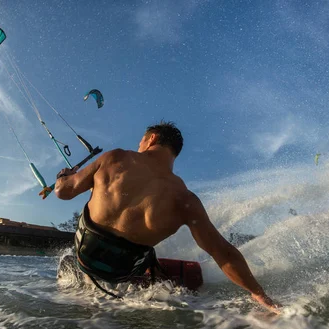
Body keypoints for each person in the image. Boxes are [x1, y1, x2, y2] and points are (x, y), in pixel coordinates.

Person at [54, 121, 281, 313]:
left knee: (72, 255)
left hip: (85, 258)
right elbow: (223, 252)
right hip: (122, 273)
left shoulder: (115, 159)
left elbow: (64, 192)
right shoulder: (184, 199)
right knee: (146, 258)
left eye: (141, 142)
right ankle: (151, 278)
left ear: (151, 139)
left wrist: (64, 176)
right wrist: (258, 293)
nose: (138, 146)